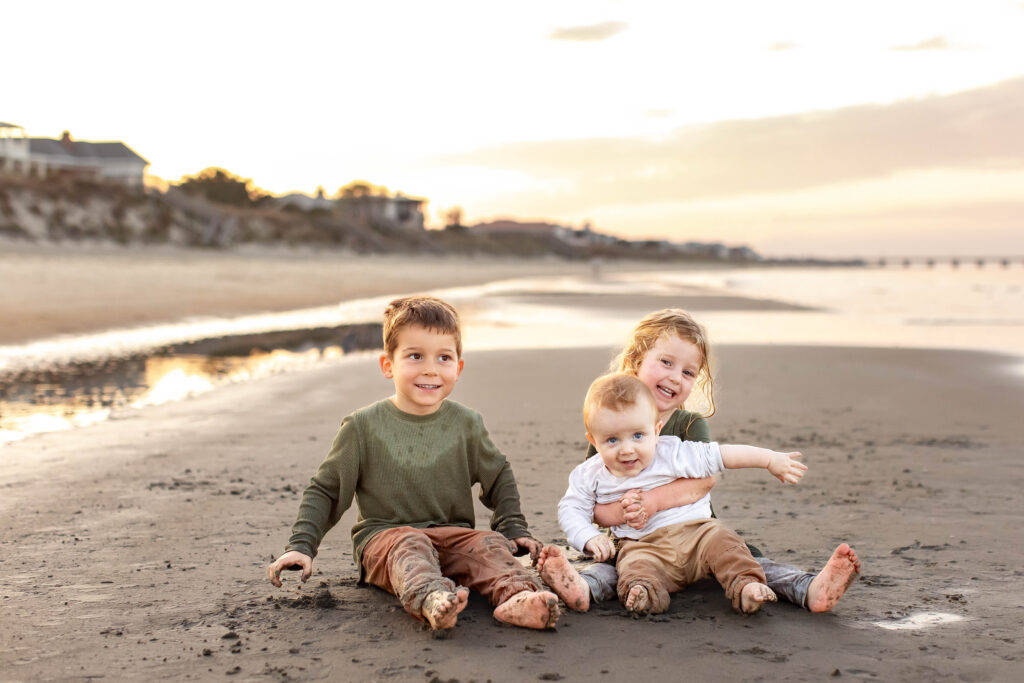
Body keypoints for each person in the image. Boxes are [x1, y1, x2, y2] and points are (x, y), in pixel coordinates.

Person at [266, 296, 576, 632]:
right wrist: (301, 546)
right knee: (410, 545)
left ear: (457, 367)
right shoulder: (362, 426)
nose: (430, 368)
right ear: (388, 365)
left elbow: (498, 474)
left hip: (453, 537)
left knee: (488, 544)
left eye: (443, 358)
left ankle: (518, 599)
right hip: (386, 541)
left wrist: (513, 528)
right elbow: (326, 491)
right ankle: (432, 599)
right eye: (415, 356)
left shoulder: (466, 424)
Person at [539, 308, 860, 613]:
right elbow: (589, 499)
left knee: (740, 559)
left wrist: (650, 502)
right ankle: (583, 588)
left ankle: (808, 589)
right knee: (615, 572)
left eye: (688, 371)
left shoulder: (688, 426)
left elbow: (705, 479)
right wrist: (614, 516)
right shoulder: (606, 416)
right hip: (634, 542)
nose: (675, 377)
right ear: (637, 360)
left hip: (695, 533)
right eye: (665, 362)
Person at [551, 372, 807, 614]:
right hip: (644, 545)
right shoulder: (589, 473)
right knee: (634, 566)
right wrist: (588, 537)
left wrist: (769, 459)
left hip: (696, 535)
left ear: (656, 430)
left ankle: (746, 587)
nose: (627, 449)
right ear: (593, 440)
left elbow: (721, 455)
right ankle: (644, 594)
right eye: (612, 440)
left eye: (638, 435)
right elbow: (571, 508)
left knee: (724, 543)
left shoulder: (672, 452)